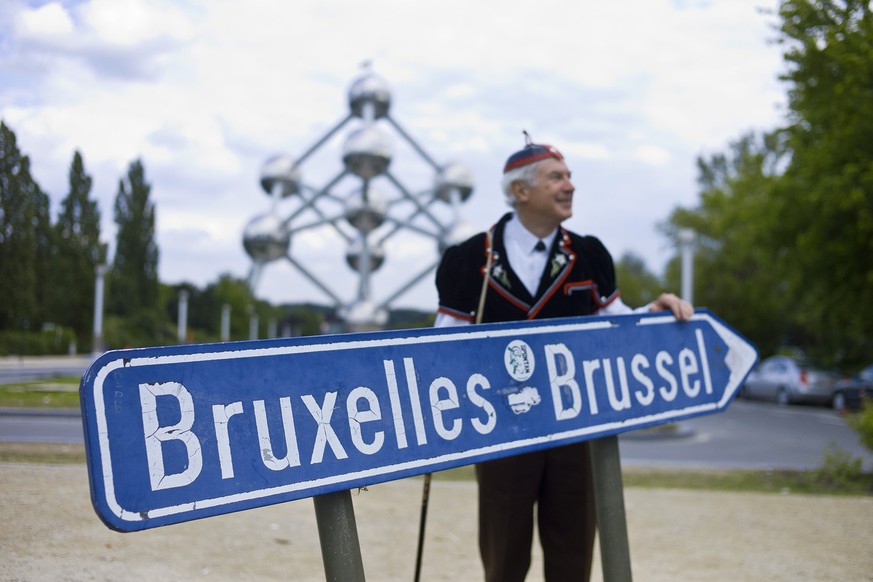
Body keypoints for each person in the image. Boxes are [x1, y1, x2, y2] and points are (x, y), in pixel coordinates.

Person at [434, 133, 693, 582]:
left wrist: (654, 313)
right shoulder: (469, 259)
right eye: (556, 177)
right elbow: (444, 345)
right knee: (504, 560)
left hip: (576, 429)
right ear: (520, 191)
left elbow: (618, 328)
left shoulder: (590, 255)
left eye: (569, 176)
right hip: (502, 433)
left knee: (574, 558)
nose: (569, 185)